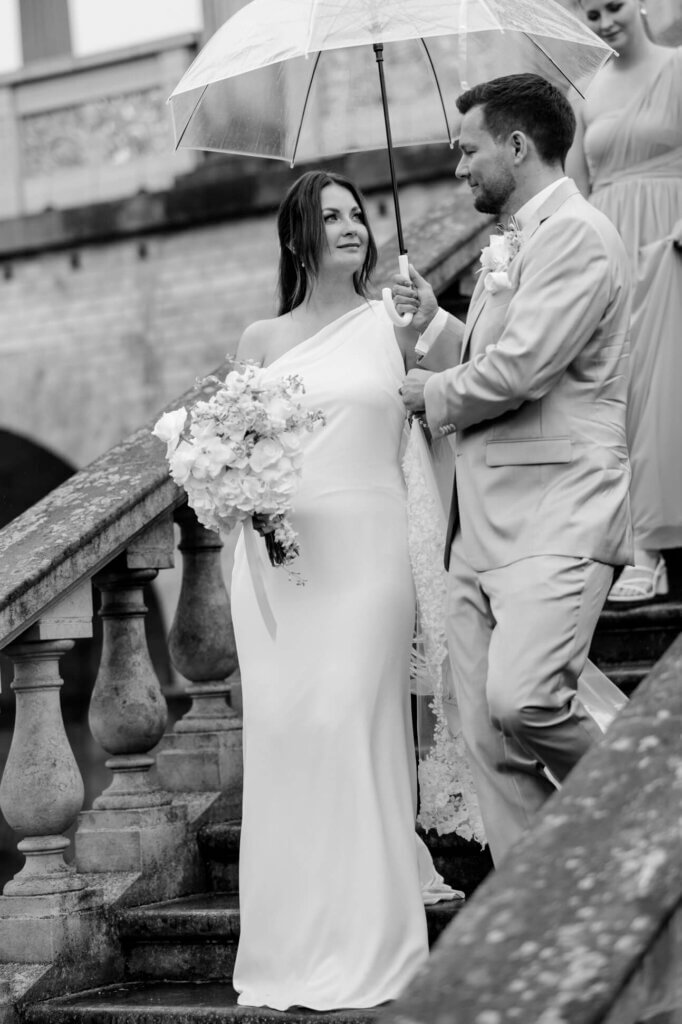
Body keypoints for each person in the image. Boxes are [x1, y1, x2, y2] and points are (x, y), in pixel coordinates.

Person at [229, 169, 459, 1012]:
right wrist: (237, 496)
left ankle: (375, 938)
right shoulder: (261, 338)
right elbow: (236, 452)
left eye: (357, 213)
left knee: (353, 723)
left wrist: (429, 317)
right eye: (330, 217)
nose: (351, 227)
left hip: (372, 555)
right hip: (285, 569)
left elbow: (472, 372)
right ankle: (295, 940)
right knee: (293, 740)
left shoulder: (390, 318)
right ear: (299, 237)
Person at [393, 74, 633, 865]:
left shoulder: (576, 232)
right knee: (487, 742)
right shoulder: (520, 240)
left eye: (468, 150)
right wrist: (442, 327)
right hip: (480, 526)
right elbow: (508, 349)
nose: (458, 167)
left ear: (518, 146)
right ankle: (540, 909)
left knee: (525, 698)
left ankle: (654, 809)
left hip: (556, 505)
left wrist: (431, 393)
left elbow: (525, 370)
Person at [565, 0, 682, 603]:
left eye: (614, 6)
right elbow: (579, 192)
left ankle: (654, 543)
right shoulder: (585, 92)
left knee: (663, 388)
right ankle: (634, 543)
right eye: (592, 14)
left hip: (671, 243)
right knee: (618, 389)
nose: (606, 21)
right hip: (613, 250)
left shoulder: (679, 67)